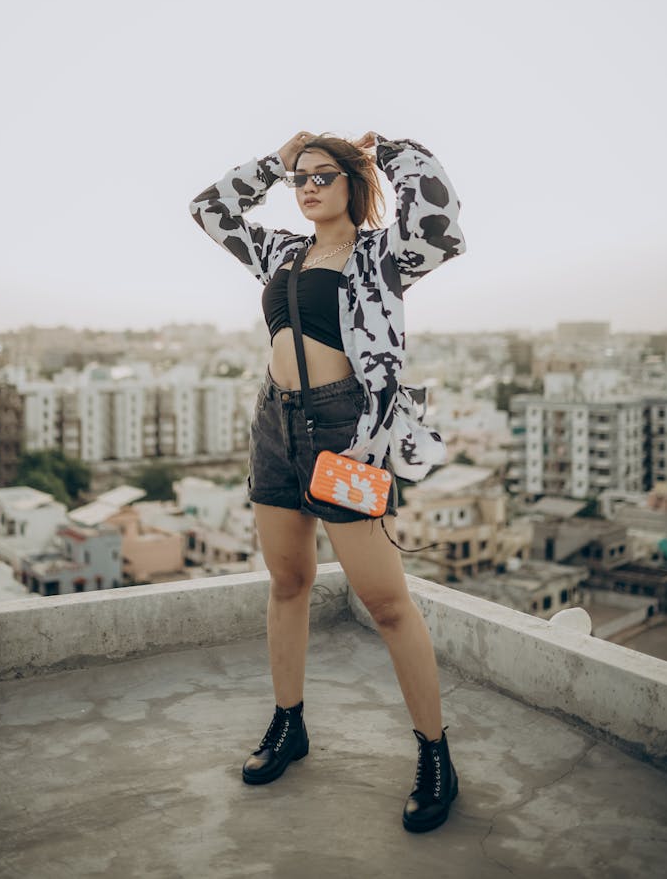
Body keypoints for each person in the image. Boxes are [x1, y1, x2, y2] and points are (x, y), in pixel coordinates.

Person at [189, 128, 466, 833]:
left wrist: (393, 151)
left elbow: (439, 219)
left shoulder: (381, 253)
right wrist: (271, 163)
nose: (308, 186)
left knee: (386, 602)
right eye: (300, 177)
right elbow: (210, 209)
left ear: (352, 182)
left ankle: (435, 755)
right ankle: (290, 724)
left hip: (346, 431)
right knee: (288, 582)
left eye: (323, 175)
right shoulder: (281, 252)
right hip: (276, 426)